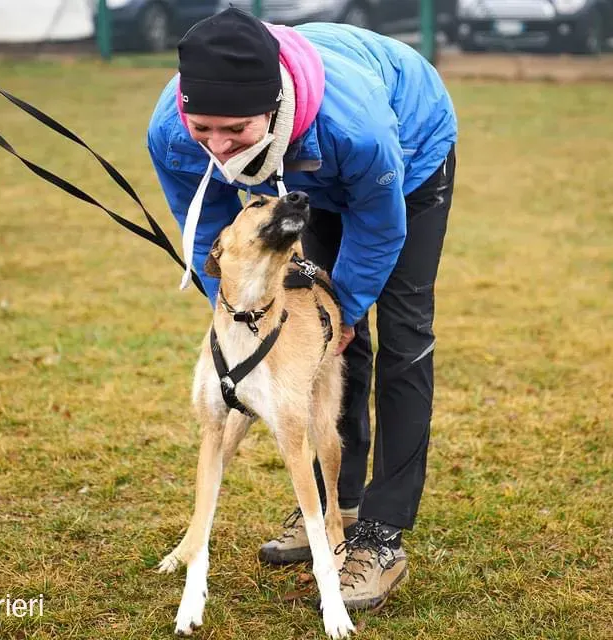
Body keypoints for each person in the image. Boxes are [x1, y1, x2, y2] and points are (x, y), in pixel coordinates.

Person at [147, 8, 457, 610]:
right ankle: (333, 500)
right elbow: (213, 232)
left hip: (408, 156)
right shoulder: (172, 131)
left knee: (398, 331)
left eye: (233, 130)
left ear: (269, 109)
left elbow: (379, 227)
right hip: (306, 170)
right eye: (203, 127)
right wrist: (238, 310)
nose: (215, 146)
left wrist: (345, 310)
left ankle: (380, 535)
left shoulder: (356, 129)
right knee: (328, 340)